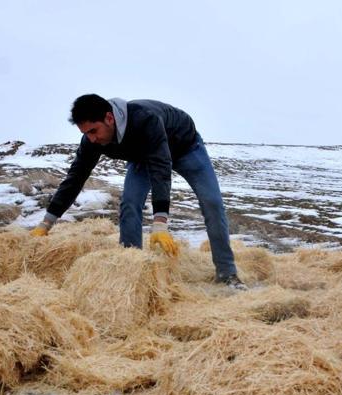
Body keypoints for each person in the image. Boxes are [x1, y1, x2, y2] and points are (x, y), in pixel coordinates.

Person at [30, 94, 246, 290]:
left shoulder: (145, 120)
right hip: (142, 155)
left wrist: (160, 223)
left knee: (212, 202)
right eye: (85, 134)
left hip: (185, 147)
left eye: (93, 131)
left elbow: (161, 168)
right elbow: (75, 178)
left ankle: (227, 274)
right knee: (129, 203)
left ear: (109, 118)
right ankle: (131, 272)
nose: (91, 139)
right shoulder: (92, 141)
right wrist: (46, 223)